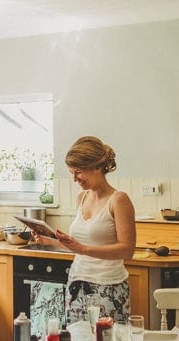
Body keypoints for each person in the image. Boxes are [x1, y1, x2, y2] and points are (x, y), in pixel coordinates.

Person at [33, 136, 136, 324]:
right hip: (77, 283)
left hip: (109, 287)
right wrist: (50, 241)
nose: (74, 179)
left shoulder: (119, 200)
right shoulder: (81, 197)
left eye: (78, 172)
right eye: (71, 173)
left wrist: (83, 249)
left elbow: (127, 250)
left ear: (97, 167)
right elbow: (80, 246)